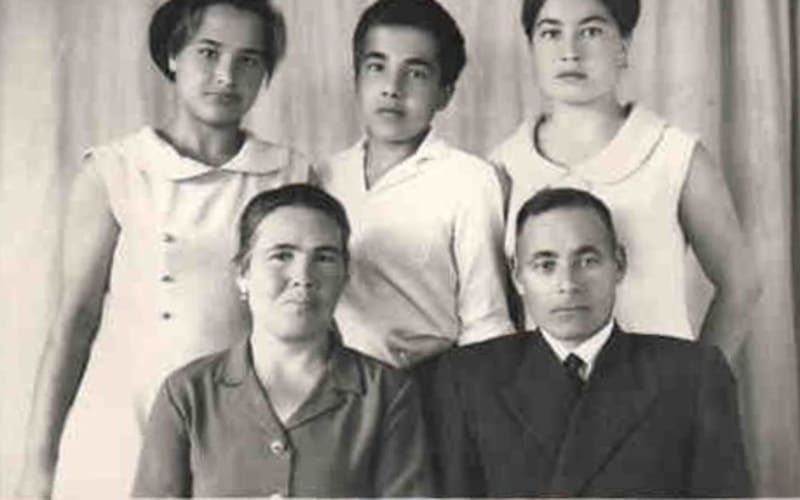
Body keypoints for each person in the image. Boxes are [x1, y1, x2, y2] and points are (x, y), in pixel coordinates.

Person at [17, 0, 310, 496]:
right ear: (173, 55)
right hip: (121, 420)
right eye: (209, 53)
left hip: (237, 421)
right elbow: (74, 322)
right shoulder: (117, 169)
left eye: (248, 59)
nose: (226, 76)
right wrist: (38, 466)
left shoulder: (289, 174)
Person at [430, 187, 752, 497]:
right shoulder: (468, 379)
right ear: (518, 277)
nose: (568, 284)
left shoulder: (692, 375)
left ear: (619, 265)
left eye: (587, 261)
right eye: (545, 265)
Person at [490, 0, 760, 360]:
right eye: (551, 33)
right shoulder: (503, 166)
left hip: (657, 389)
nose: (569, 52)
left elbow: (740, 287)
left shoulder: (675, 155)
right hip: (542, 391)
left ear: (623, 44)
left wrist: (696, 383)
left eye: (591, 31)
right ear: (531, 47)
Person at [131, 184, 432, 497]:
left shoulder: (385, 394)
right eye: (281, 256)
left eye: (324, 258)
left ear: (345, 276)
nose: (303, 277)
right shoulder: (187, 394)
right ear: (243, 274)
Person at [315, 0, 513, 369]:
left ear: (445, 93)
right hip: (331, 385)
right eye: (377, 67)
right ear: (356, 79)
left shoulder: (469, 179)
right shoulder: (324, 176)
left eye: (417, 74)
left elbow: (486, 319)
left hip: (427, 384)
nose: (392, 88)